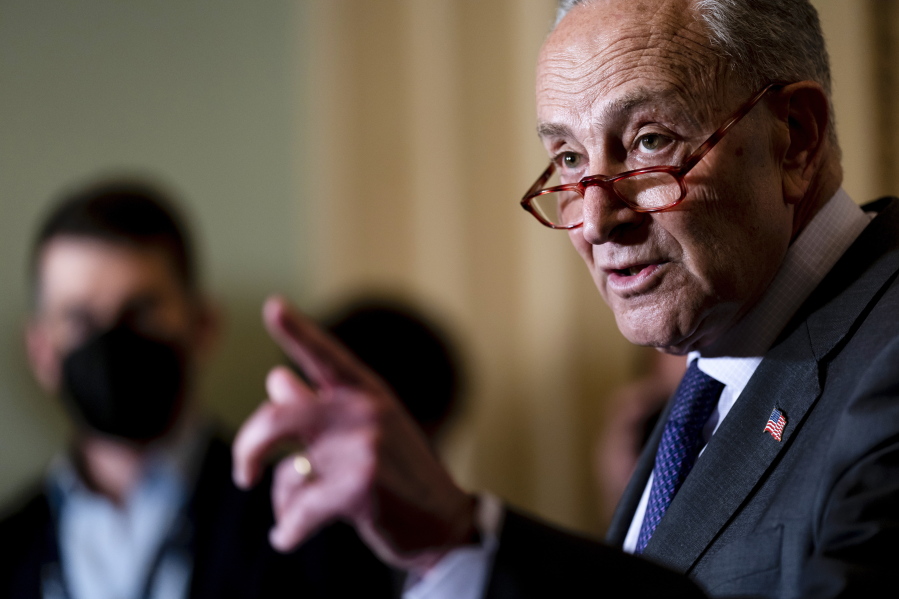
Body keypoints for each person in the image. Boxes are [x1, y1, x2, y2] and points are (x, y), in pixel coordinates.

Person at [231, 0, 899, 596]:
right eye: (571, 160)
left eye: (648, 141)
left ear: (795, 139)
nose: (594, 218)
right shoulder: (711, 374)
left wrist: (467, 539)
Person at [0, 179, 394, 599]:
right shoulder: (7, 548)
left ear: (203, 326)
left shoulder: (303, 522)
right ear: (41, 353)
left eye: (141, 311)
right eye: (80, 320)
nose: (112, 340)